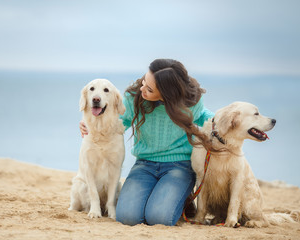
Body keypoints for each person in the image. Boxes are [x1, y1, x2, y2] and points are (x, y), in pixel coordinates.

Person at [80, 59, 215, 226]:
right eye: (144, 81)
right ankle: (164, 193)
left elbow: (206, 117)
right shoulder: (134, 97)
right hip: (145, 165)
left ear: (167, 93)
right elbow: (118, 121)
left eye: (149, 89)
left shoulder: (190, 102)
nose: (142, 88)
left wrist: (225, 122)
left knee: (159, 218)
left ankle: (183, 198)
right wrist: (91, 124)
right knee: (128, 217)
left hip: (179, 166)